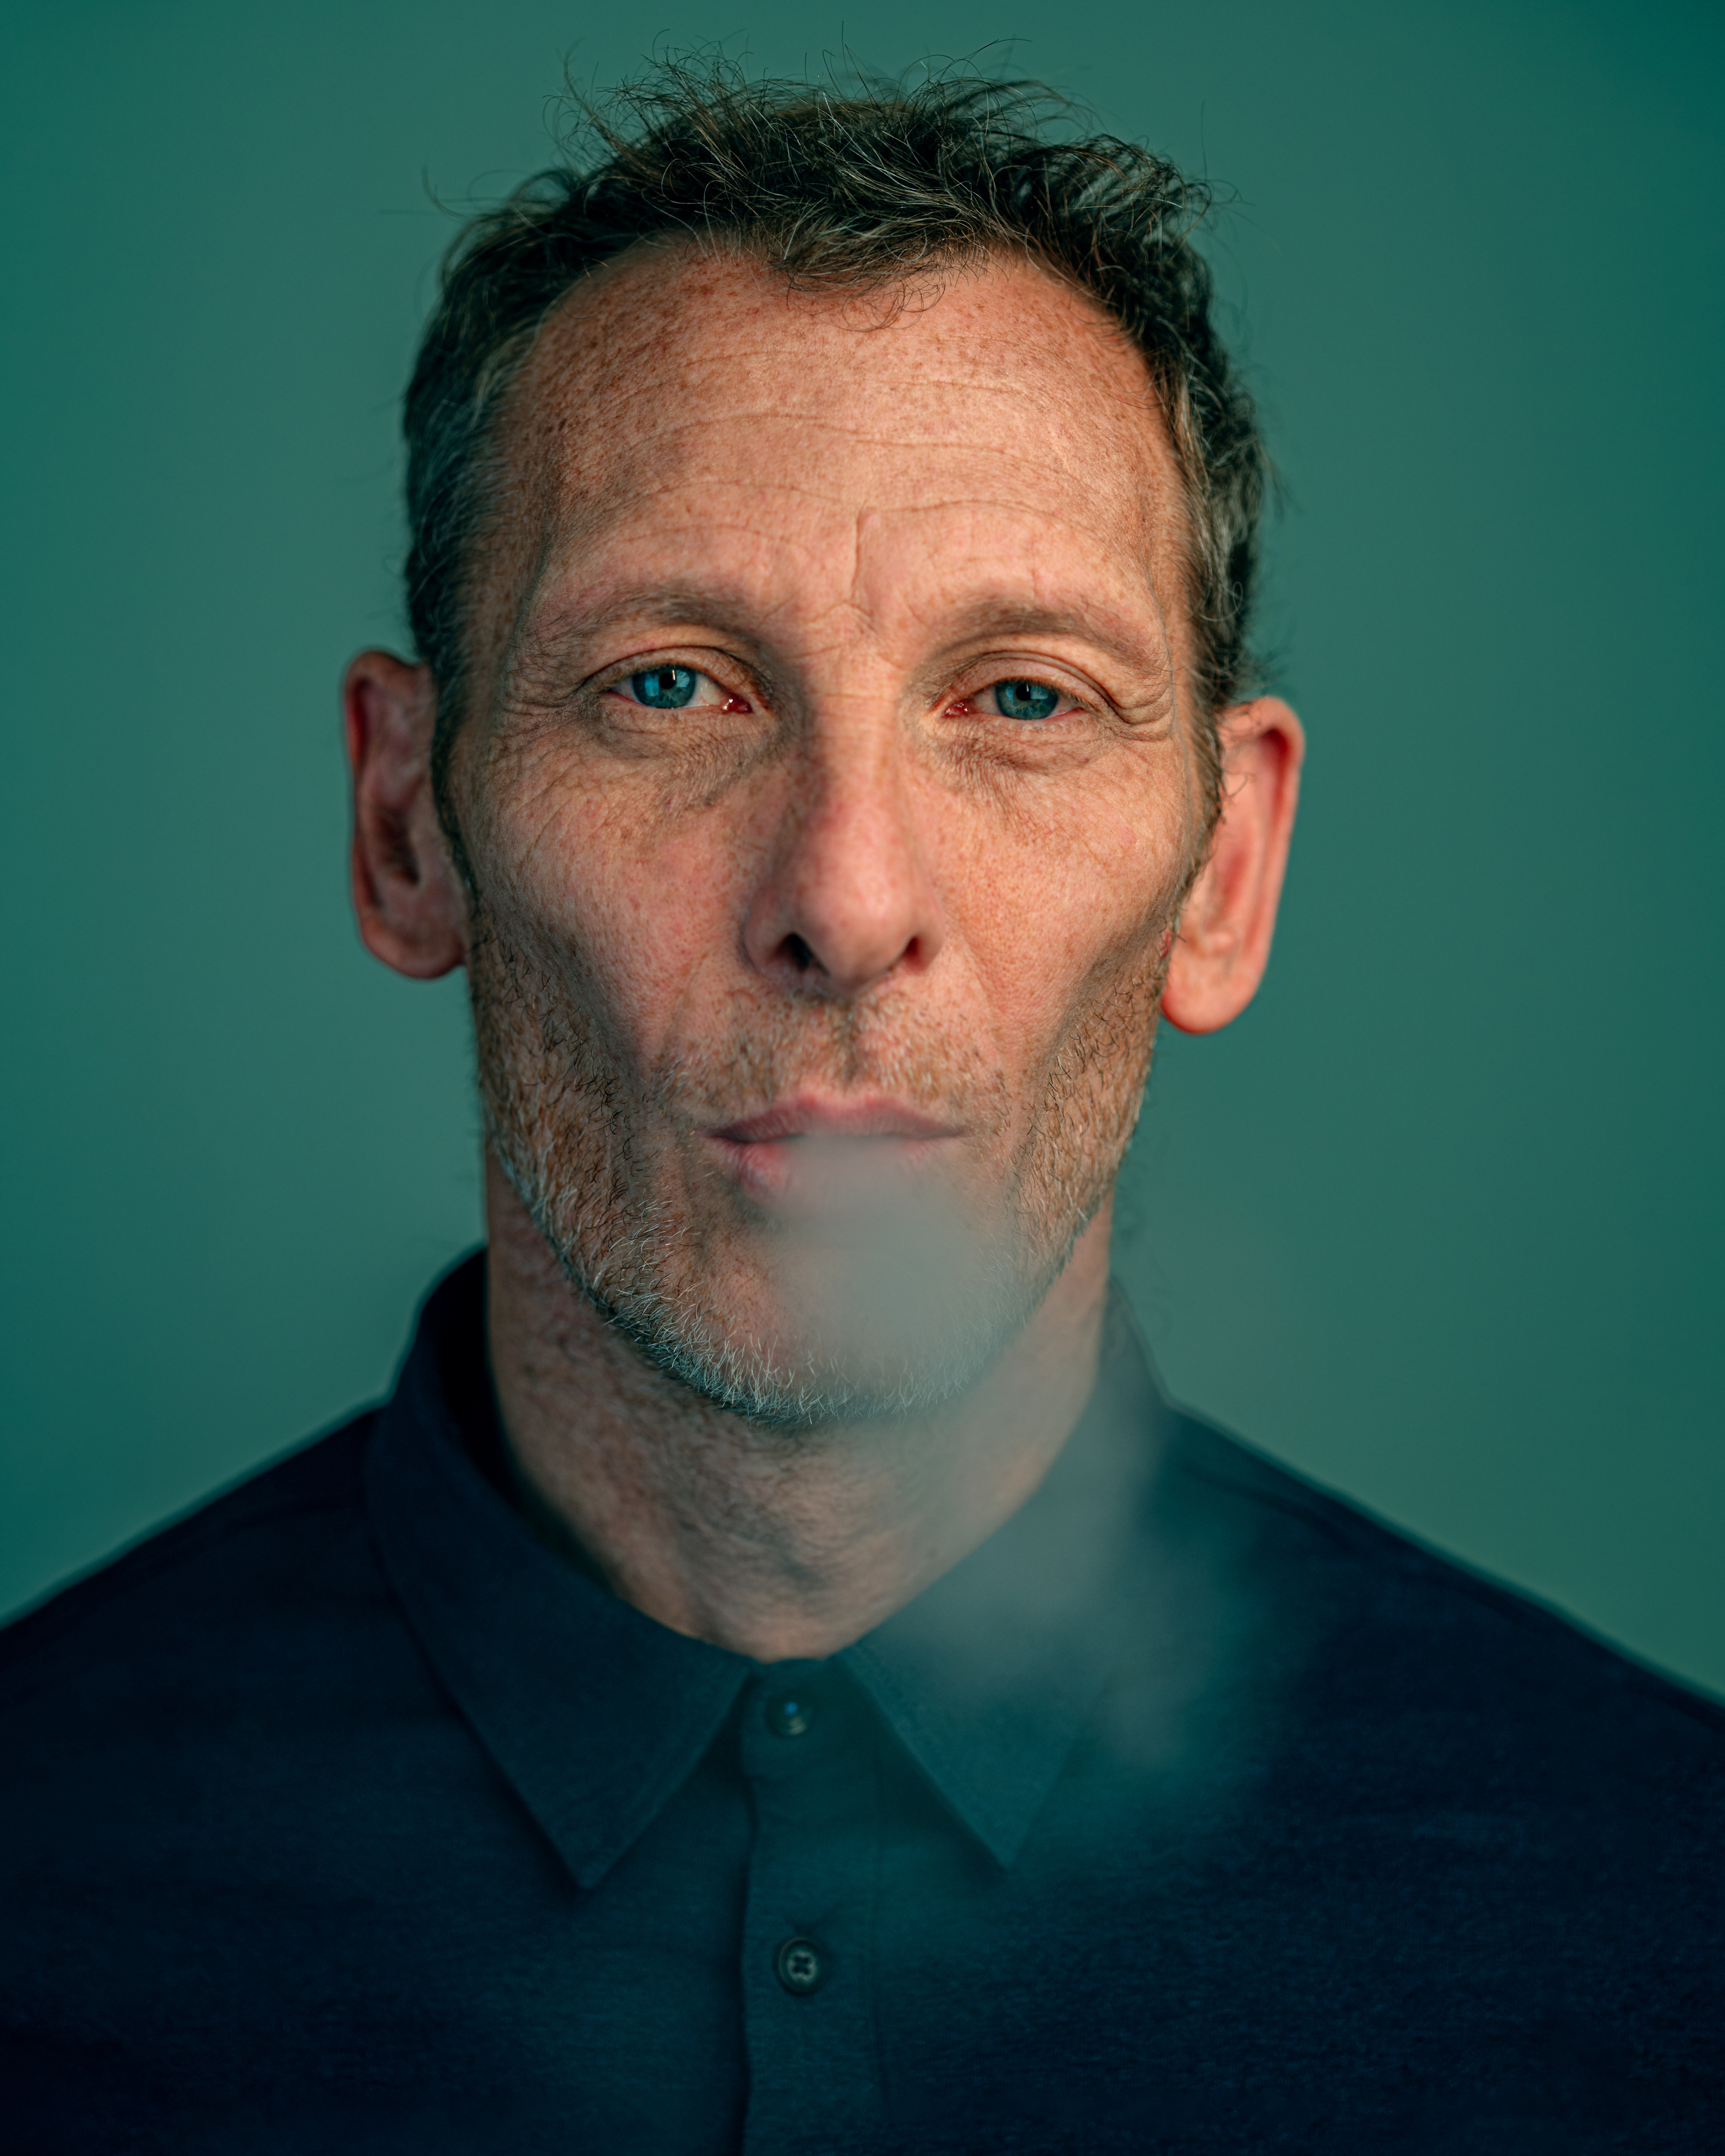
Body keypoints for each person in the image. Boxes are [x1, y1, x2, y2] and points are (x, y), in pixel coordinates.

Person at [2, 66, 1719, 2153]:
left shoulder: (1662, 1917)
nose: (844, 898)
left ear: (1226, 869)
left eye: (1022, 697)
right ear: (405, 824)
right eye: (667, 684)